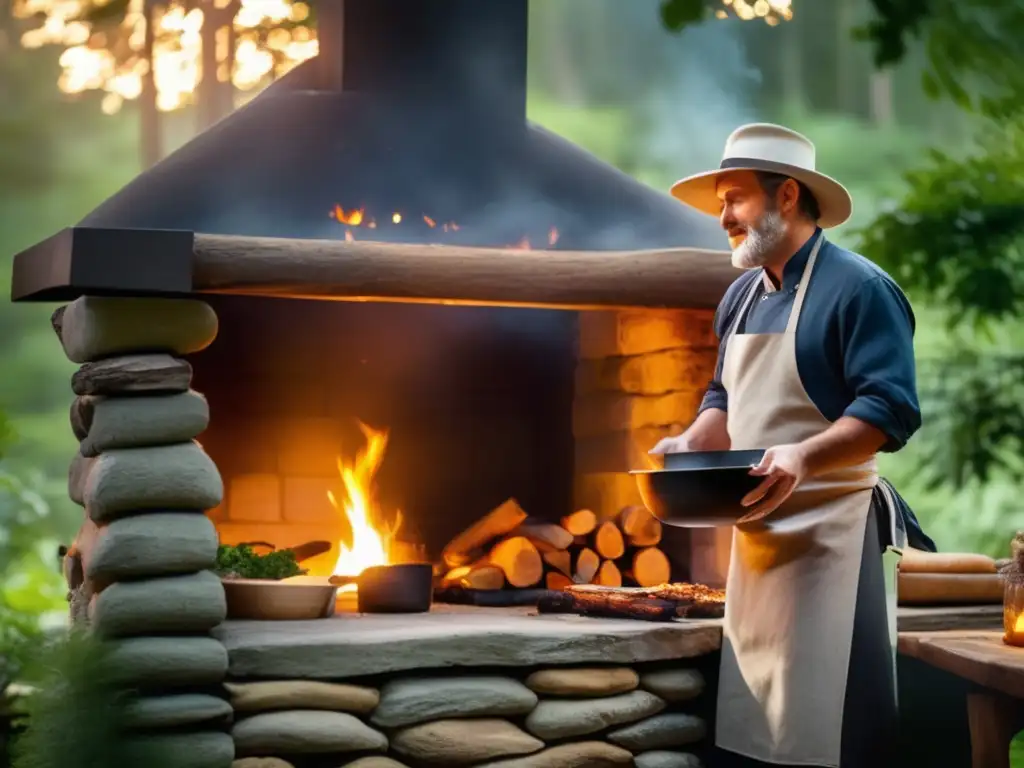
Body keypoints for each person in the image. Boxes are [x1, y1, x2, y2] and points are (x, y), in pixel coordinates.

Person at [652, 123, 934, 768]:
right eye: (721, 202)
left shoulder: (861, 289)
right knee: (758, 723)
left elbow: (889, 411)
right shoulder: (740, 296)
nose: (722, 216)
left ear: (786, 197)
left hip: (831, 535)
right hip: (758, 536)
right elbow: (723, 396)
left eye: (735, 199)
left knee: (834, 725)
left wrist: (802, 456)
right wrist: (692, 441)